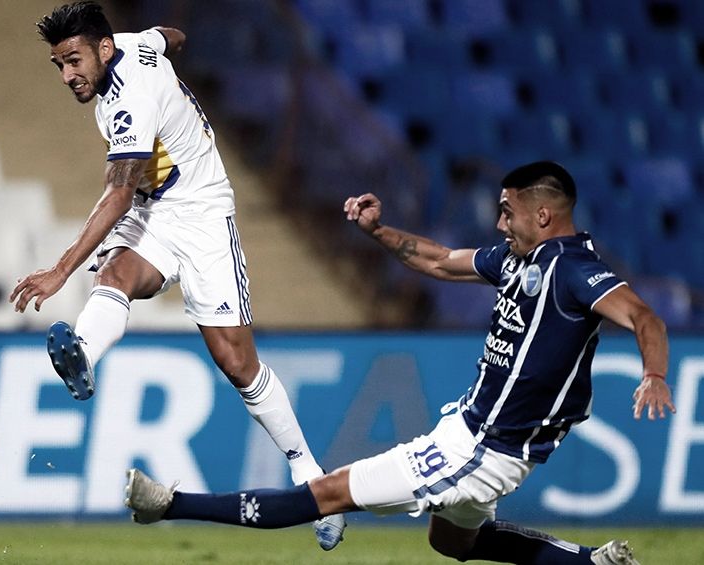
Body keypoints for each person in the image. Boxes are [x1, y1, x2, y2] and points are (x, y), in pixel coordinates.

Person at [124, 161, 677, 565]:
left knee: (327, 495)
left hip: (485, 449)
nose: (500, 224)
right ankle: (590, 563)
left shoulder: (573, 269)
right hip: (467, 428)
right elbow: (441, 261)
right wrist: (379, 232)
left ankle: (167, 506)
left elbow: (645, 318)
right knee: (451, 542)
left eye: (508, 213)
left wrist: (653, 374)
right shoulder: (517, 259)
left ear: (543, 213)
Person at [9, 1, 346, 550]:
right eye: (59, 65)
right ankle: (84, 356)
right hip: (155, 211)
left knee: (236, 362)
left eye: (73, 61)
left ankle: (309, 472)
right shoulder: (134, 44)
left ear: (103, 49)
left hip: (203, 213)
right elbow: (174, 36)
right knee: (115, 272)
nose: (68, 76)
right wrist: (168, 52)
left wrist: (59, 270)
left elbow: (118, 193)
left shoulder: (132, 101)